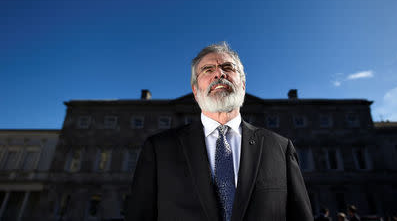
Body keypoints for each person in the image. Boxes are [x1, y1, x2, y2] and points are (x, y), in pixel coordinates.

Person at [126, 42, 313, 221]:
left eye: (228, 68)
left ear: (243, 84)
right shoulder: (159, 149)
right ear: (195, 90)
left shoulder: (280, 147)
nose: (219, 74)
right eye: (208, 70)